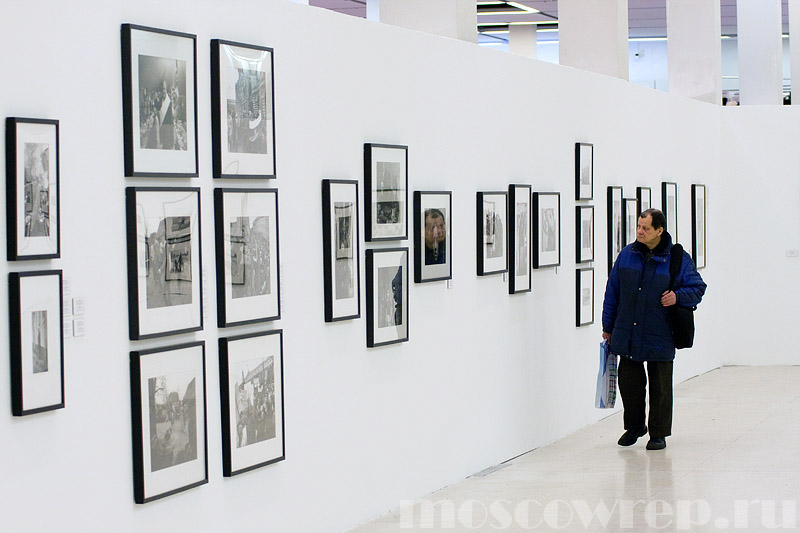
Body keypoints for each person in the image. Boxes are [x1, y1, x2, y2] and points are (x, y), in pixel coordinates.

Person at [601, 208, 706, 450]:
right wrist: (608, 326)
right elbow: (612, 292)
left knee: (660, 388)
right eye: (638, 226)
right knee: (630, 386)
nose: (639, 231)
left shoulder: (677, 258)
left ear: (659, 230)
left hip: (660, 332)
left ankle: (658, 433)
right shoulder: (627, 255)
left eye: (645, 228)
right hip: (627, 332)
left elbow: (697, 288)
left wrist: (677, 297)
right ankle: (635, 427)